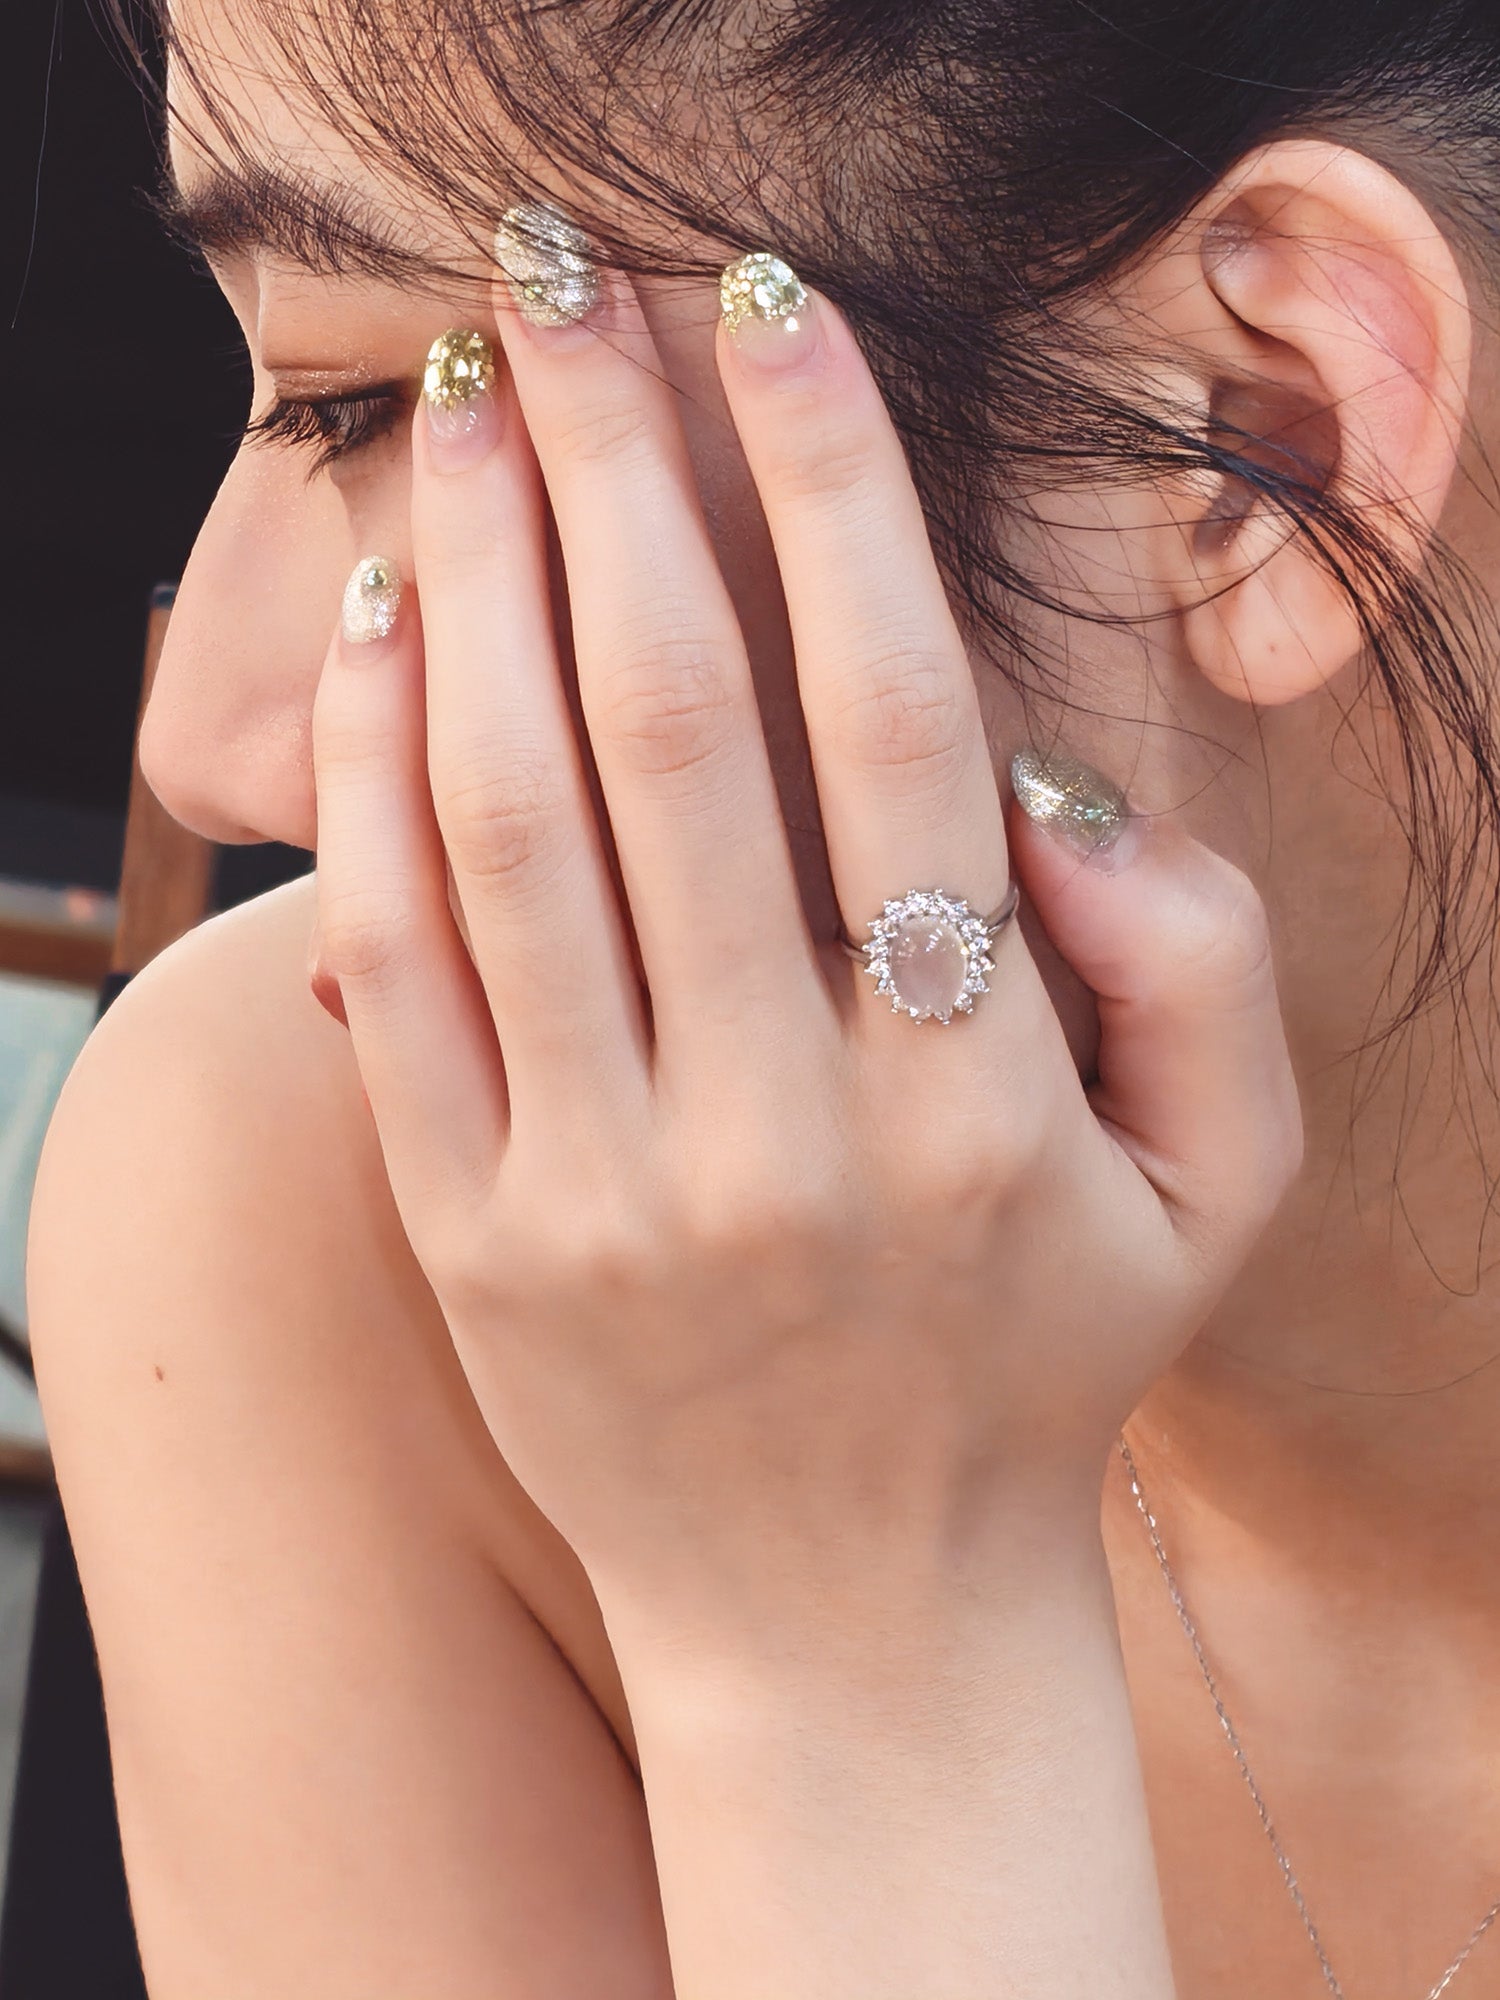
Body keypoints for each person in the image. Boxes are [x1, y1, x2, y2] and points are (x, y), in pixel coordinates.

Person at [24, 0, 1500, 1992]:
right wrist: (848, 1666)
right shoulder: (307, 1203)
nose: (206, 743)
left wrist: (865, 1658)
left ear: (1254, 438)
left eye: (362, 404)